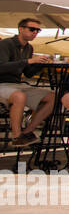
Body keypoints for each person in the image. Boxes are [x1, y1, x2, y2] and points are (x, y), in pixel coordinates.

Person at [0, 17, 55, 148]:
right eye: (32, 29)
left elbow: (28, 73)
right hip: (2, 83)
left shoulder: (28, 48)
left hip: (17, 84)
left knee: (53, 97)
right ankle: (17, 136)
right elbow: (1, 67)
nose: (35, 32)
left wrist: (40, 64)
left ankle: (28, 132)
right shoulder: (6, 44)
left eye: (38, 30)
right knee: (19, 96)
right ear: (20, 29)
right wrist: (30, 61)